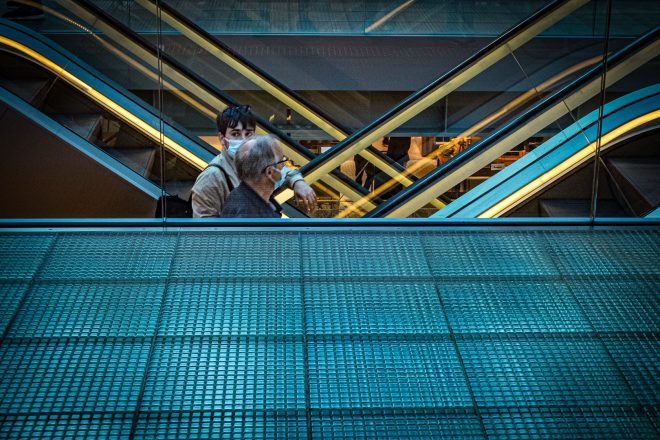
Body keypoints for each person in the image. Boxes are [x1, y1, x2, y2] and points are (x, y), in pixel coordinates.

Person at [191, 105, 316, 217]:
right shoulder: (211, 178)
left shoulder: (254, 162)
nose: (243, 139)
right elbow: (205, 230)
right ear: (222, 139)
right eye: (235, 134)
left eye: (249, 134)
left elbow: (280, 170)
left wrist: (297, 182)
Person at [221, 135, 286, 218]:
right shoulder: (250, 216)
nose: (284, 167)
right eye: (282, 162)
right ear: (269, 172)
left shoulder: (242, 199)